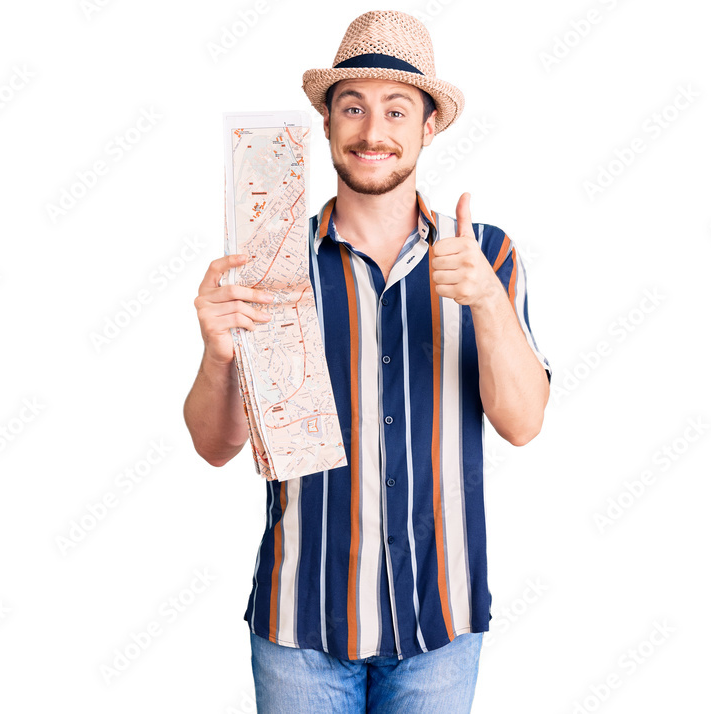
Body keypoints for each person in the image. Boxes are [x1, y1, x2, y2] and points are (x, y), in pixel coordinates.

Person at [184, 10, 551, 713]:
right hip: (300, 627)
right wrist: (217, 354)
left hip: (440, 628)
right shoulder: (270, 263)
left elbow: (524, 422)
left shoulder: (488, 255)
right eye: (351, 107)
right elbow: (212, 445)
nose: (372, 131)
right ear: (325, 123)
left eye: (395, 109)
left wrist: (487, 305)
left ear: (428, 126)